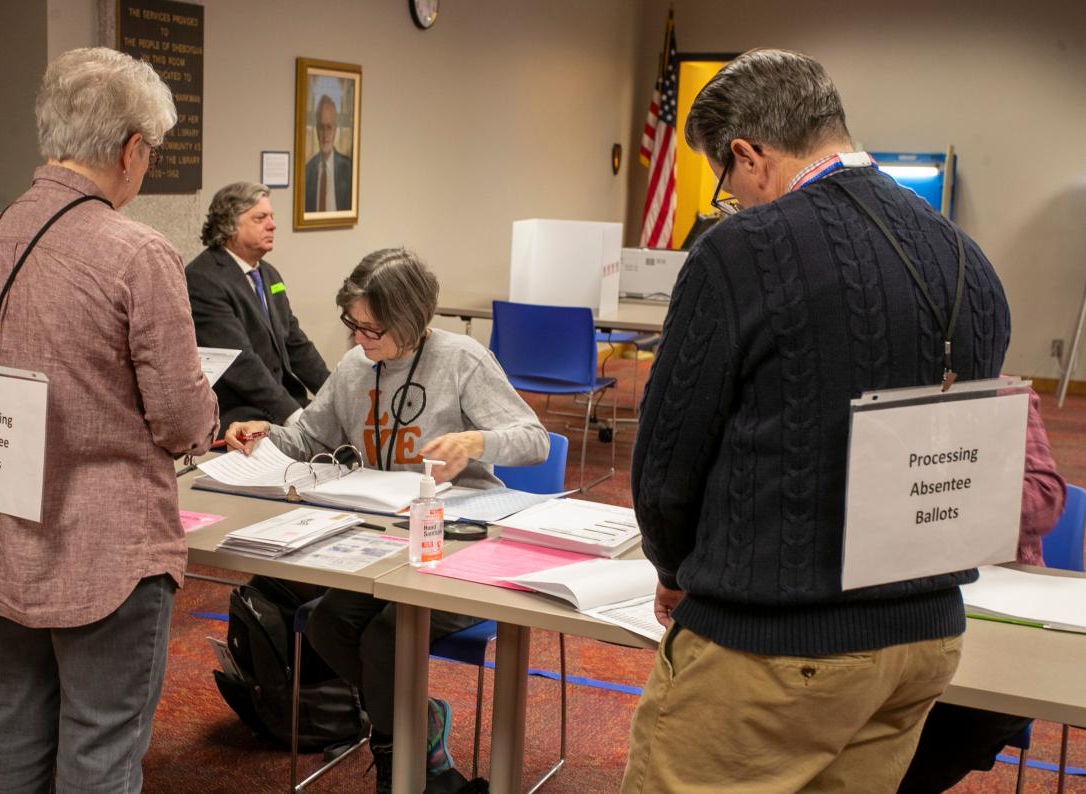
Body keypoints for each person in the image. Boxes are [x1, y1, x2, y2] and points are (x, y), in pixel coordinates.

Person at [622, 49, 1011, 792]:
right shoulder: (969, 259)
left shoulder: (737, 253)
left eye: (730, 188)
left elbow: (667, 462)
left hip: (775, 648)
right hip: (923, 639)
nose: (732, 204)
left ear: (748, 154)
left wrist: (672, 572)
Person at [0, 47, 219, 792]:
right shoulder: (138, 252)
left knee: (8, 720)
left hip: (3, 527)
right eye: (153, 151)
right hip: (107, 548)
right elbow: (179, 417)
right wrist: (208, 417)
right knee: (101, 746)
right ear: (132, 149)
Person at [225, 248, 549, 792]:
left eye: (372, 329)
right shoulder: (357, 367)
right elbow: (310, 437)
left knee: (386, 640)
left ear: (412, 318)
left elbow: (534, 440)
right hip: (381, 535)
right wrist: (262, 431)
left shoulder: (461, 359)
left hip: (457, 539)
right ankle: (420, 728)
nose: (359, 340)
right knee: (327, 623)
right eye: (353, 325)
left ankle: (408, 762)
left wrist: (476, 441)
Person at [898, 389, 1066, 792]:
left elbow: (1044, 498)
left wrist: (940, 500)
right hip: (901, 606)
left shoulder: (1005, 392)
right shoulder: (880, 390)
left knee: (978, 712)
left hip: (996, 602)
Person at [186, 182, 330, 428]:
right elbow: (241, 362)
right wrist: (294, 416)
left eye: (271, 217)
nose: (272, 225)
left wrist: (335, 394)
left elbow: (296, 344)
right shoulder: (203, 279)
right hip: (240, 413)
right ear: (230, 225)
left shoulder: (268, 274)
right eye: (260, 218)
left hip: (282, 401)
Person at [303, 94, 353, 212]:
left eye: (329, 127)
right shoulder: (307, 170)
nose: (325, 134)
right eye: (321, 127)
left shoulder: (348, 168)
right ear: (316, 130)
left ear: (335, 130)